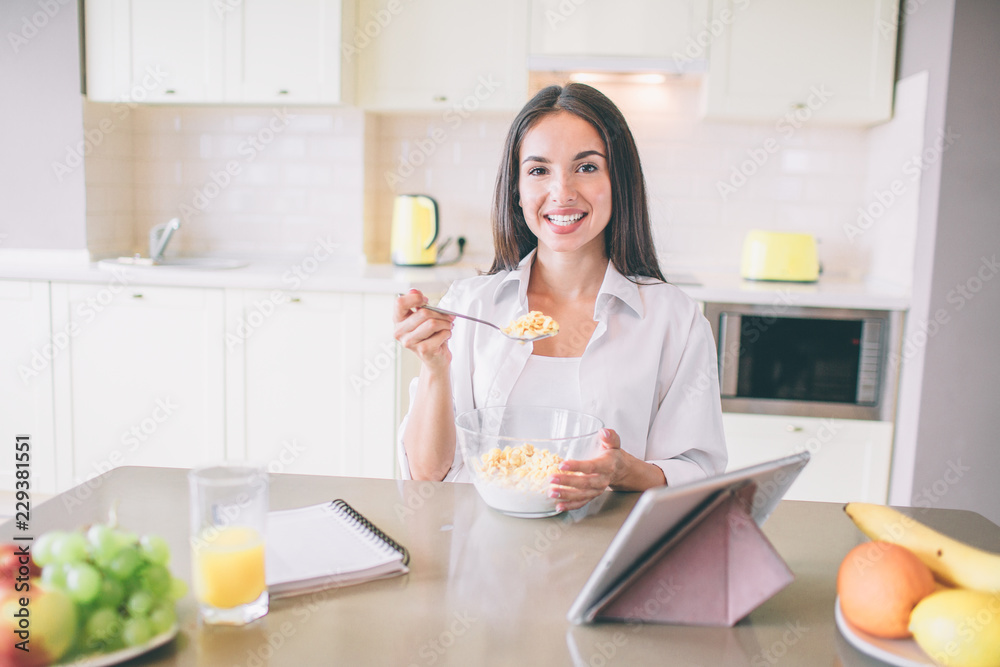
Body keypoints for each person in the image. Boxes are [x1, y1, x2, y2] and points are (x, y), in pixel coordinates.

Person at [392, 83, 727, 512]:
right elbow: (427, 475)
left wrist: (625, 472)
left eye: (586, 167)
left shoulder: (673, 319)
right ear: (516, 188)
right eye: (538, 171)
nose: (562, 192)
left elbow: (698, 471)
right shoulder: (470, 307)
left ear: (618, 181)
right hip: (481, 555)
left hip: (611, 551)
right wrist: (435, 366)